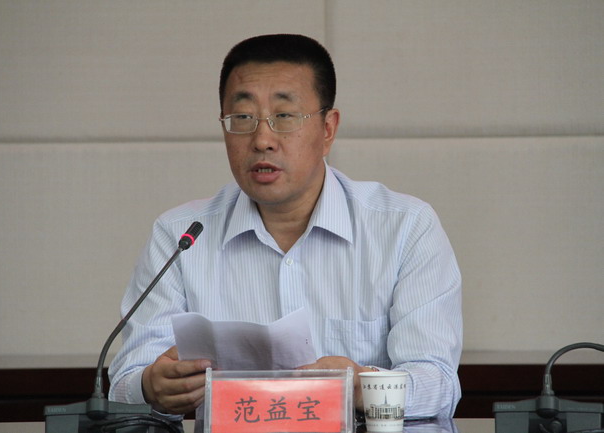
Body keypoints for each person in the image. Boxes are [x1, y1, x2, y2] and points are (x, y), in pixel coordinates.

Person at [108, 33, 462, 421]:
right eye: (243, 118)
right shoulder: (181, 236)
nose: (262, 140)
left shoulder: (404, 228)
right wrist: (150, 387)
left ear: (328, 129)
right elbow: (125, 379)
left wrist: (364, 387)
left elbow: (439, 384)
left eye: (284, 116)